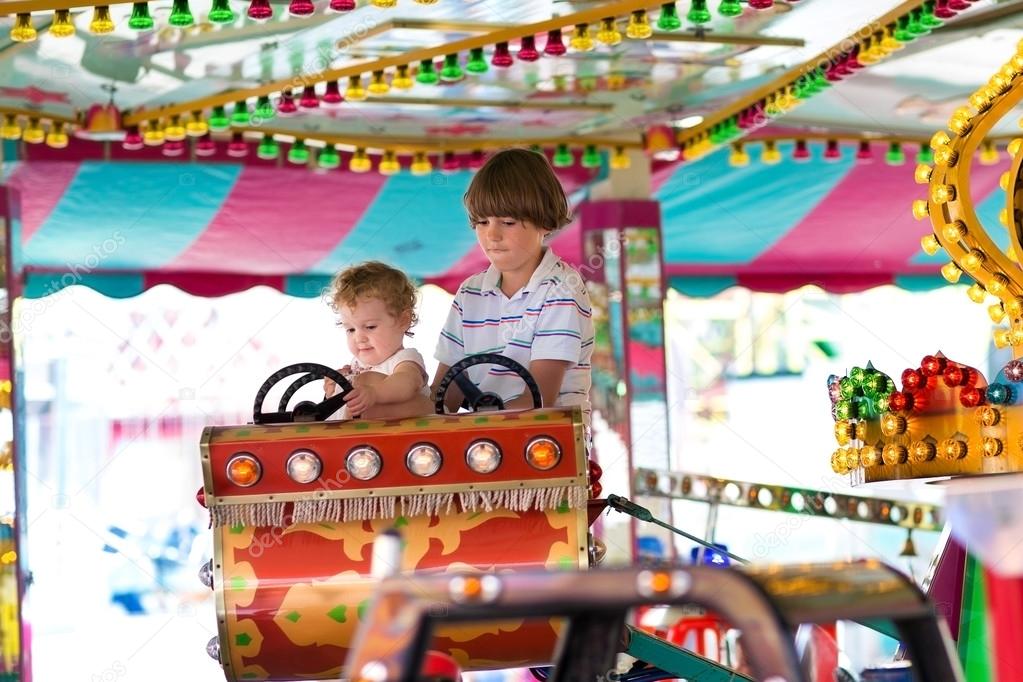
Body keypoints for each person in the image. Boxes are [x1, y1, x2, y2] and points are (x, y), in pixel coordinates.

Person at [432, 148, 593, 431]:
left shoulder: (560, 289)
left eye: (507, 222)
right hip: (485, 441)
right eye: (482, 222)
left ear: (543, 221)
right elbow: (444, 394)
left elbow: (539, 396)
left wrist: (478, 423)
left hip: (548, 439)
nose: (492, 235)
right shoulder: (470, 293)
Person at [324, 261, 433, 420]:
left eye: (370, 327)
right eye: (351, 329)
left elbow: (407, 383)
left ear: (403, 320)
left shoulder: (405, 360)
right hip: (359, 439)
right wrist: (336, 389)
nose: (359, 337)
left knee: (365, 382)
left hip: (403, 436)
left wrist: (374, 393)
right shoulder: (356, 366)